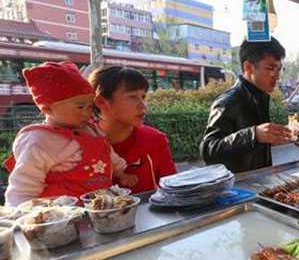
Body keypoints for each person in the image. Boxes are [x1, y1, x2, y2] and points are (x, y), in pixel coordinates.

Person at [4, 61, 136, 206]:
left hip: (99, 207)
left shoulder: (91, 130)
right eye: (80, 107)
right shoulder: (39, 141)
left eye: (90, 106)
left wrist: (120, 172)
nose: (88, 112)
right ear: (47, 109)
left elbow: (107, 153)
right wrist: (20, 212)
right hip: (63, 215)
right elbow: (24, 184)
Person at [200, 37, 291, 173]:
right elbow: (209, 151)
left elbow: (250, 146)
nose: (277, 76)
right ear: (248, 67)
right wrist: (254, 135)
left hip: (259, 182)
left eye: (279, 69)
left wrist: (270, 138)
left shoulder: (260, 96)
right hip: (237, 189)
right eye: (270, 68)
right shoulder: (228, 101)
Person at [89, 66, 177, 193]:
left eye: (143, 97)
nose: (143, 105)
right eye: (132, 96)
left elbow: (174, 191)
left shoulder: (154, 140)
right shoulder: (78, 142)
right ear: (101, 102)